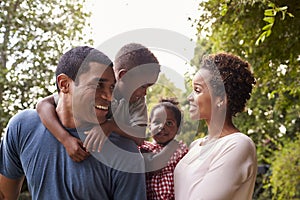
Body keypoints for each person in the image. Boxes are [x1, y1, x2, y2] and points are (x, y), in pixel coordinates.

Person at [0, 46, 147, 199]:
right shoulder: (23, 126)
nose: (110, 97)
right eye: (98, 85)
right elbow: (4, 195)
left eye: (112, 87)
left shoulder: (125, 153)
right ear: (64, 84)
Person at [36, 43, 161, 162]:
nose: (145, 93)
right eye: (143, 86)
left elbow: (139, 137)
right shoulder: (93, 88)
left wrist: (109, 126)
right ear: (124, 76)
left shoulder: (137, 101)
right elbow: (42, 105)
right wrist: (65, 139)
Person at [174, 53, 257, 200]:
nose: (190, 97)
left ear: (220, 99)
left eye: (197, 90)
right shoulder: (195, 146)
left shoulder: (237, 145)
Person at [140, 98, 188, 200]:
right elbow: (153, 165)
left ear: (178, 129)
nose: (162, 126)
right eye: (157, 122)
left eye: (169, 123)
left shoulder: (181, 149)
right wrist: (171, 146)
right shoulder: (145, 147)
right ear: (150, 126)